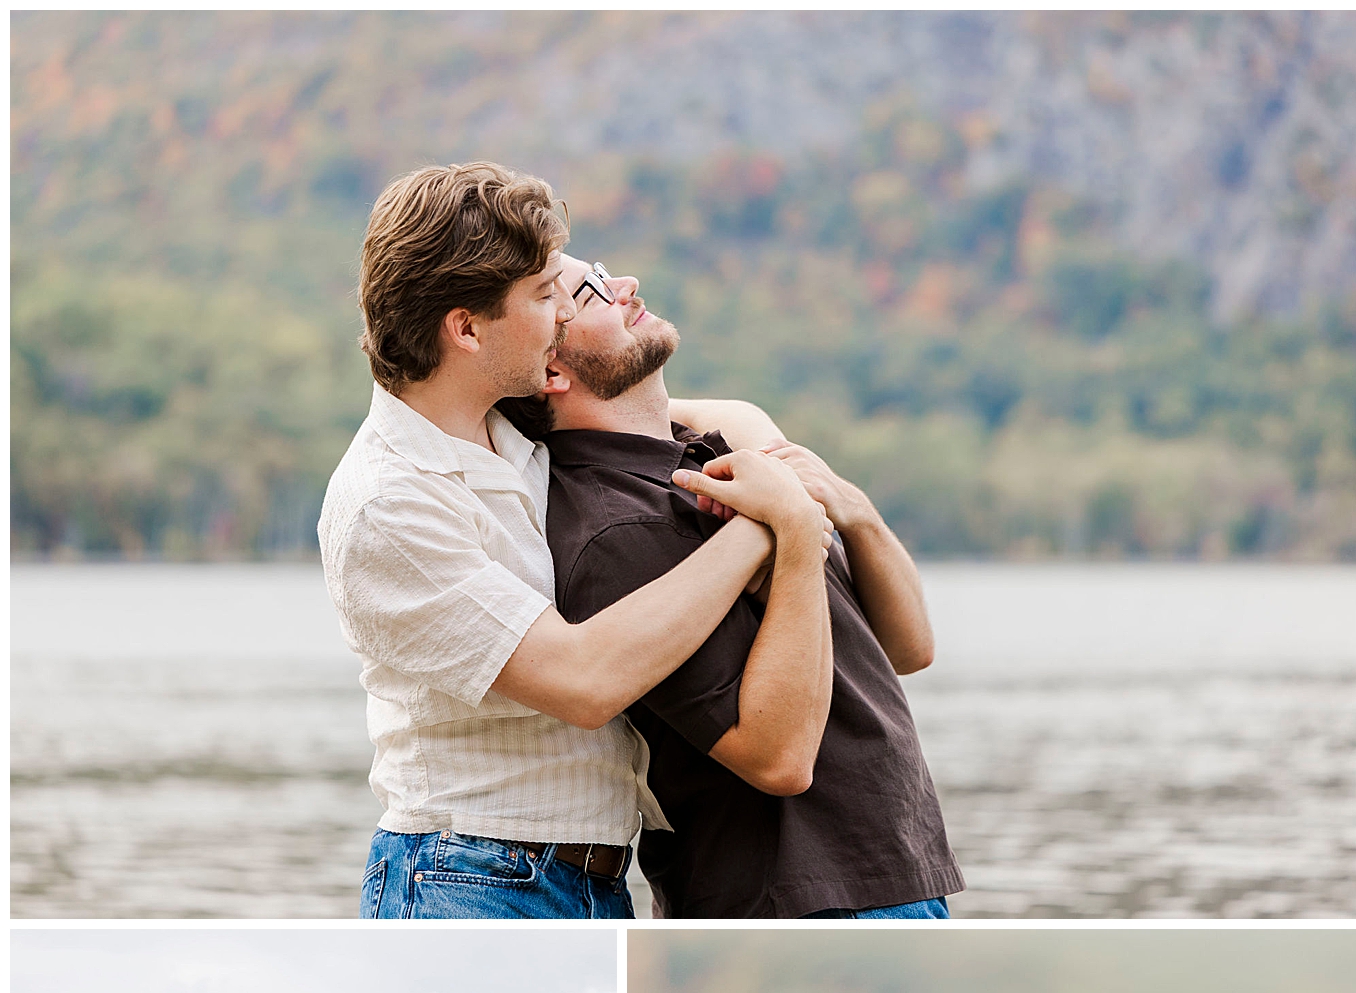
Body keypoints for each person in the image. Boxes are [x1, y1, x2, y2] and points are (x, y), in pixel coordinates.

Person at [319, 161, 821, 918]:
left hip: (592, 876)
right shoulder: (388, 505)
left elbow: (699, 413)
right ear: (466, 328)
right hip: (468, 875)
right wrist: (770, 526)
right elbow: (584, 681)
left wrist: (773, 469)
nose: (562, 314)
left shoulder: (506, 417)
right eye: (542, 295)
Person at [500, 253, 962, 919]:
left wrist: (852, 509)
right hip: (796, 902)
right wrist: (797, 537)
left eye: (604, 270)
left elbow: (909, 648)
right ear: (551, 369)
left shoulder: (716, 456)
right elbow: (776, 761)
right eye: (590, 291)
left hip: (894, 875)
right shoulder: (617, 528)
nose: (626, 284)